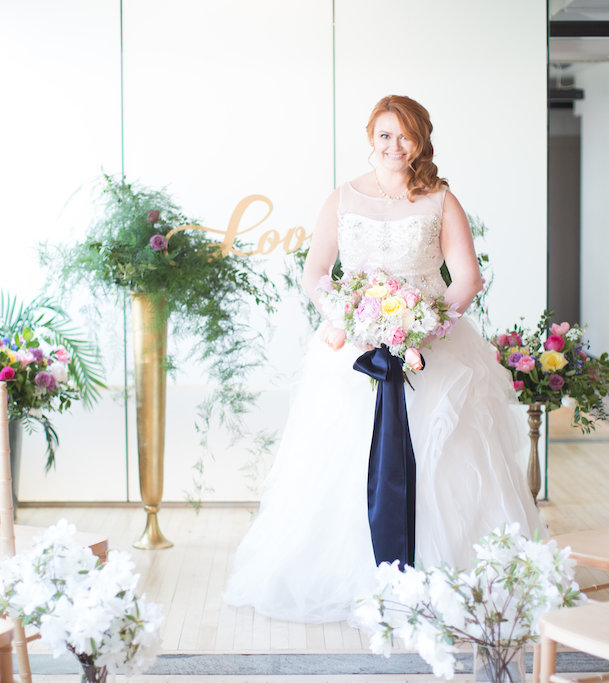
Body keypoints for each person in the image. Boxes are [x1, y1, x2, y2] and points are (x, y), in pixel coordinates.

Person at [223, 95, 544, 623]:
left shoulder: (440, 199)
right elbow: (316, 273)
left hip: (431, 350)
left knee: (447, 461)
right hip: (354, 348)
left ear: (421, 141)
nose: (396, 146)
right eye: (386, 135)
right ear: (370, 138)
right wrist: (352, 319)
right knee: (341, 460)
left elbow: (466, 279)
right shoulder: (342, 198)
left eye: (407, 136)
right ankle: (357, 578)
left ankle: (447, 579)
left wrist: (425, 327)